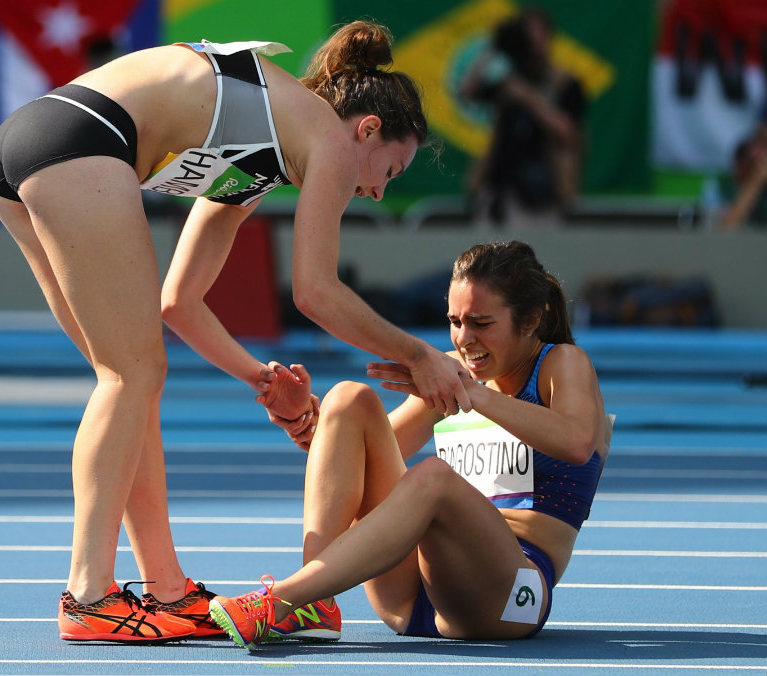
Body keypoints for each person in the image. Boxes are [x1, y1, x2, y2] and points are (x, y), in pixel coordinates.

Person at [0, 20, 470, 643]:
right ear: (367, 130)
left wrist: (263, 380)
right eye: (390, 171)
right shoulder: (327, 136)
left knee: (129, 386)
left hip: (31, 142)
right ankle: (87, 595)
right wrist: (420, 354)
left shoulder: (260, 154)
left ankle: (169, 589)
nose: (374, 192)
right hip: (80, 140)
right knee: (132, 375)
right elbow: (315, 292)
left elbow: (180, 301)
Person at [208, 241, 612, 649]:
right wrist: (308, 421)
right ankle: (315, 604)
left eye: (481, 323)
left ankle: (284, 599)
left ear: (530, 320)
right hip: (412, 593)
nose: (464, 338)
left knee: (435, 477)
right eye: (455, 321)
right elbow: (360, 462)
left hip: (510, 596)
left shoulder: (562, 363)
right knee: (349, 399)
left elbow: (577, 442)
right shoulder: (454, 371)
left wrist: (476, 395)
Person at [458, 9, 585, 225]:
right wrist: (494, 48)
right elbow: (467, 92)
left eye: (537, 35)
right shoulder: (507, 80)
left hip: (542, 191)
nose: (532, 43)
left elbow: (567, 132)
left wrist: (528, 99)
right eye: (526, 36)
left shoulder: (564, 83)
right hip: (498, 188)